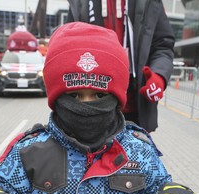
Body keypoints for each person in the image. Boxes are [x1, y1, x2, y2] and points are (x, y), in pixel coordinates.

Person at [0, 22, 199, 194]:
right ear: (56, 97)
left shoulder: (138, 151)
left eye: (99, 96)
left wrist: (173, 192)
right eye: (75, 95)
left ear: (117, 97)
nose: (86, 106)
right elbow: (2, 189)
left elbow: (160, 188)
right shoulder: (29, 152)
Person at [67, 0, 175, 132]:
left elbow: (163, 46)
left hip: (134, 107)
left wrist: (158, 76)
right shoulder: (80, 3)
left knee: (134, 152)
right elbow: (68, 47)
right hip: (91, 106)